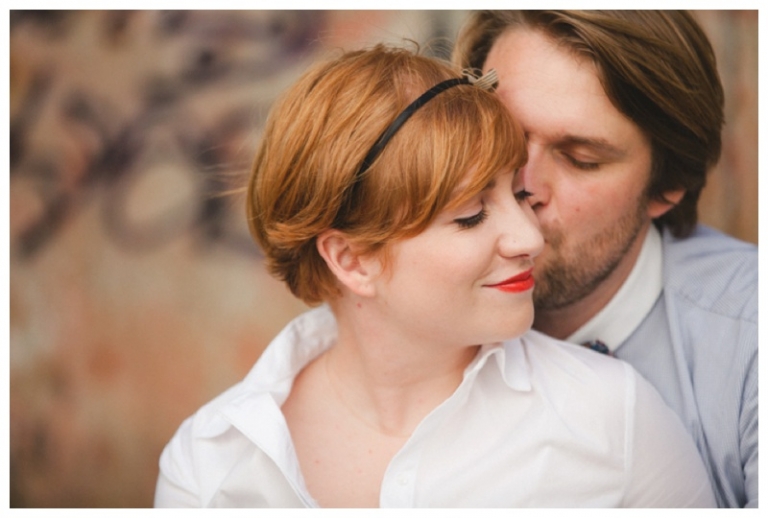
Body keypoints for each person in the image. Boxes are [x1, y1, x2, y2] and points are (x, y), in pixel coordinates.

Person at [154, 44, 715, 508]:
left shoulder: (613, 420)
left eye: (516, 194)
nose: (529, 238)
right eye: (471, 215)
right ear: (352, 261)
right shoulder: (212, 461)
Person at [452, 10, 757, 508]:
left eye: (581, 158)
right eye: (503, 132)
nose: (521, 183)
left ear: (667, 187)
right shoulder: (405, 301)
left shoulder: (749, 338)